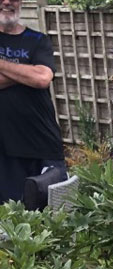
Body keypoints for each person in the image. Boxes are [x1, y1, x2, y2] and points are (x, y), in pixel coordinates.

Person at [0, 0, 66, 204]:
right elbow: (35, 76)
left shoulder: (38, 40)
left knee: (56, 212)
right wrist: (26, 71)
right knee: (13, 221)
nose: (7, 2)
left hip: (43, 142)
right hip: (6, 150)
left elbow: (42, 78)